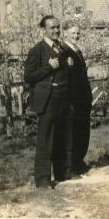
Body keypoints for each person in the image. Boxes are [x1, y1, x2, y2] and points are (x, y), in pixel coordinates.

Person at [24, 15, 73, 188]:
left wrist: (68, 64)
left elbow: (65, 72)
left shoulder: (64, 48)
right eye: (52, 28)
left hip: (63, 97)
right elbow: (29, 76)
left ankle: (63, 173)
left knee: (63, 136)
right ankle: (43, 180)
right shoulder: (36, 50)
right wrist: (48, 67)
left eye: (58, 27)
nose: (56, 31)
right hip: (48, 99)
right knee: (46, 139)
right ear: (44, 30)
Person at [62, 21, 92, 175]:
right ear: (65, 33)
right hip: (72, 100)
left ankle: (79, 161)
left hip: (83, 100)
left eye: (77, 33)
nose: (76, 35)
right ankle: (72, 166)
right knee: (73, 133)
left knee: (83, 132)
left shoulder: (77, 50)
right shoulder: (64, 51)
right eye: (73, 33)